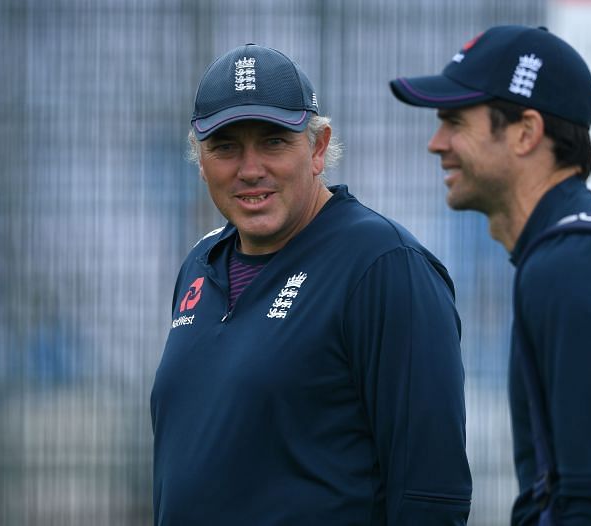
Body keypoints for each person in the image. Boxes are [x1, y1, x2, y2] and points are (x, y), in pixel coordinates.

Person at [150, 43, 472, 525]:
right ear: (200, 159)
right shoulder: (202, 261)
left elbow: (432, 493)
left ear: (318, 148)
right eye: (225, 146)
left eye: (274, 141)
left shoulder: (384, 266)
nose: (250, 168)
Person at [390, 26, 591, 525]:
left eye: (454, 122)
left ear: (526, 132)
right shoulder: (589, 249)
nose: (435, 143)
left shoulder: (574, 266)